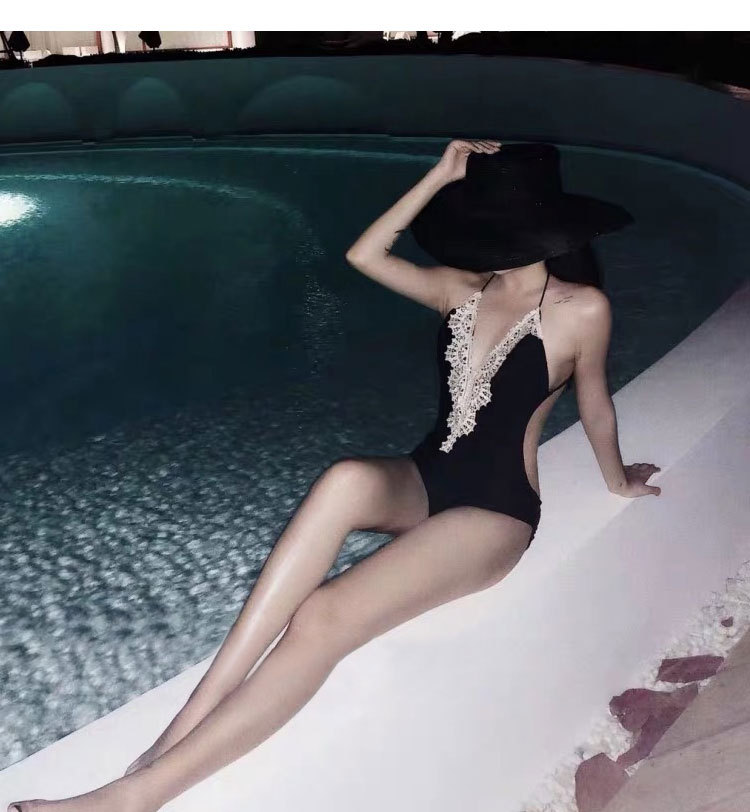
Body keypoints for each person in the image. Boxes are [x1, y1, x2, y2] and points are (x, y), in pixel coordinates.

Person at [8, 139, 662, 812]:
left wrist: (618, 480)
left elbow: (595, 403)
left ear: (546, 229)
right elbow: (364, 255)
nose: (496, 242)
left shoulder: (582, 309)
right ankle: (193, 713)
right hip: (427, 476)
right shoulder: (458, 289)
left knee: (324, 614)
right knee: (344, 477)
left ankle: (136, 798)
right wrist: (439, 174)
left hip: (495, 509)